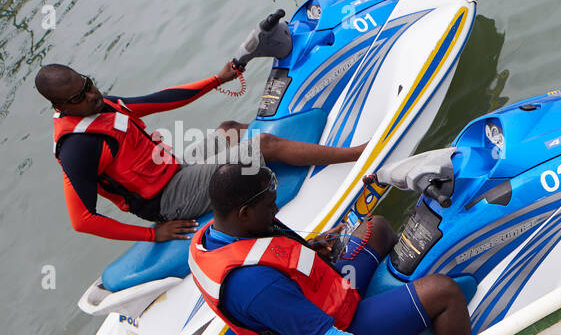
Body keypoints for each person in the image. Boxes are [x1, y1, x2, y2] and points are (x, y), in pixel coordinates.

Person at [189, 161, 469, 335]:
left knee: (378, 227)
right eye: (269, 206)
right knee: (444, 291)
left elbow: (272, 256)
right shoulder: (253, 285)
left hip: (333, 292)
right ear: (244, 213)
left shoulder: (220, 233)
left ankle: (404, 305)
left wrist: (310, 248)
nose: (276, 209)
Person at [37, 62, 367, 242]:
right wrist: (152, 234)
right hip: (167, 200)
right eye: (79, 97)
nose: (92, 95)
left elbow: (162, 99)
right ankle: (359, 155)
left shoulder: (101, 104)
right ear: (60, 105)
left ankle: (300, 147)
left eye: (88, 84)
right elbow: (82, 220)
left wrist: (217, 79)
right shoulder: (76, 148)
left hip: (174, 168)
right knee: (263, 146)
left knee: (229, 129)